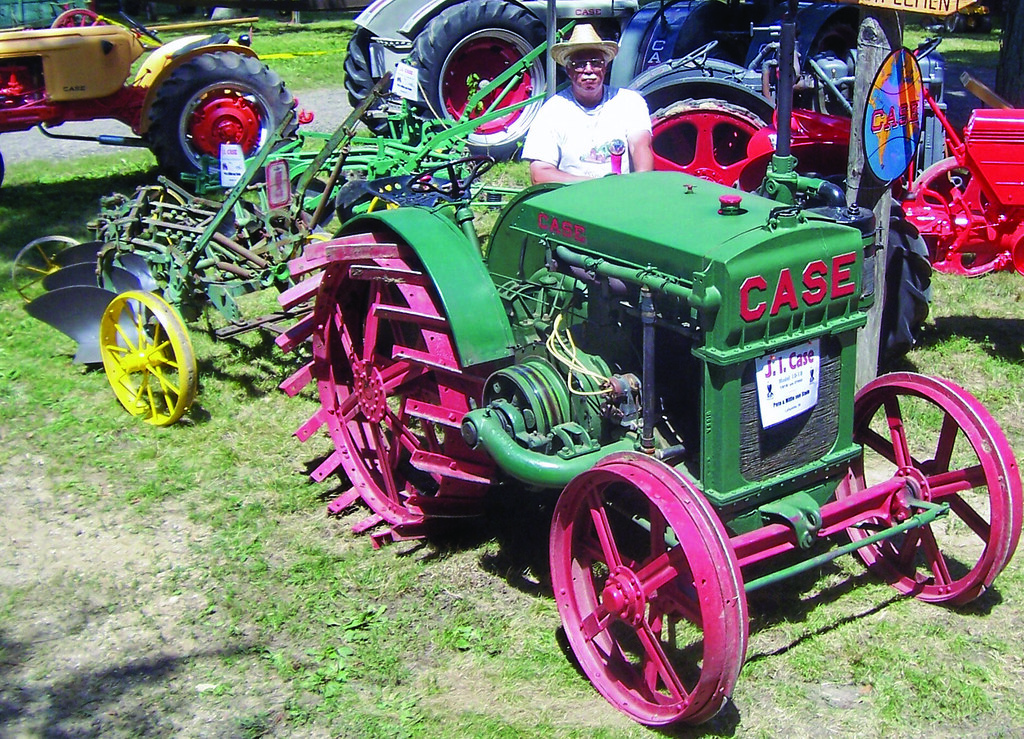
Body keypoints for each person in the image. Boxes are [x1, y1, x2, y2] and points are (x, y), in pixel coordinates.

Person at [522, 24, 654, 184]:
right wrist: (596, 186)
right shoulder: (552, 110)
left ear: (605, 67)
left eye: (596, 62)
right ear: (568, 70)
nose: (588, 70)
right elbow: (540, 174)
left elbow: (640, 148)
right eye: (580, 64)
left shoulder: (630, 102)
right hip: (571, 197)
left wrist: (640, 185)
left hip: (622, 193)